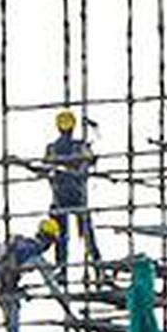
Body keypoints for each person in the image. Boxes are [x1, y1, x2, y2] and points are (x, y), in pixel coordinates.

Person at [42, 110, 102, 274]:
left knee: (65, 237)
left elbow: (45, 169)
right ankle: (96, 267)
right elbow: (91, 160)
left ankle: (66, 270)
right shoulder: (79, 147)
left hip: (63, 197)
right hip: (75, 197)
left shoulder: (55, 149)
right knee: (84, 236)